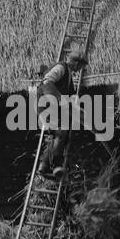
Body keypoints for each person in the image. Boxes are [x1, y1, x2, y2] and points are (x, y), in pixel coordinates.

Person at [37, 48, 87, 177]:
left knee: (62, 135)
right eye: (81, 65)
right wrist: (59, 98)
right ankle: (55, 165)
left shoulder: (68, 75)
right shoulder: (61, 68)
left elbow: (68, 100)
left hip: (55, 108)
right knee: (60, 133)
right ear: (76, 63)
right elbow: (46, 82)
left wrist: (78, 110)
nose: (81, 68)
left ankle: (44, 165)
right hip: (47, 105)